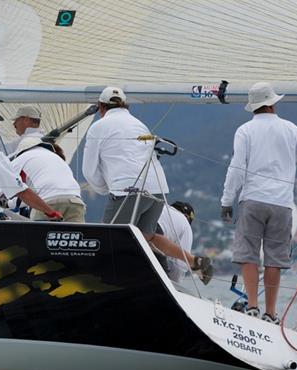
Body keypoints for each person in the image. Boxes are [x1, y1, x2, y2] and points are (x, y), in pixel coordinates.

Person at [220, 82, 297, 324]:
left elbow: (236, 169)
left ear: (253, 107)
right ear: (272, 103)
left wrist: (226, 201)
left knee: (248, 255)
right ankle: (271, 313)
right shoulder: (289, 129)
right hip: (282, 204)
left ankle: (252, 306)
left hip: (252, 200)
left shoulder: (244, 131)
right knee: (274, 259)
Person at [82, 86, 206, 267]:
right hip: (157, 189)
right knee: (146, 237)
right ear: (126, 106)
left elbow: (89, 170)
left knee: (109, 238)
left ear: (101, 107)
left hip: (128, 189)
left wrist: (105, 189)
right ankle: (184, 265)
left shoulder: (98, 127)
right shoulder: (139, 124)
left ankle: (118, 279)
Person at [11, 137, 86, 222]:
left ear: (20, 151)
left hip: (48, 203)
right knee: (75, 234)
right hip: (75, 201)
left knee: (41, 235)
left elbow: (25, 195)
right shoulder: (55, 157)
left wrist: (7, 204)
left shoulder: (19, 159)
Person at [157, 201, 213, 284]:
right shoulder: (185, 224)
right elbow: (180, 265)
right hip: (155, 239)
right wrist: (175, 287)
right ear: (187, 217)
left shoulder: (161, 208)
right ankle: (197, 263)